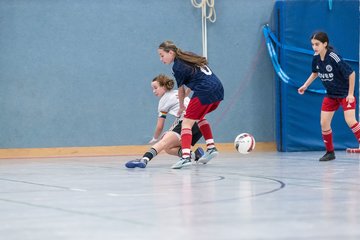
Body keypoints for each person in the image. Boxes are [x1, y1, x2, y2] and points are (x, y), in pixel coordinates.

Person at [158, 40, 224, 169]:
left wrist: (182, 106)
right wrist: (188, 96)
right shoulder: (188, 56)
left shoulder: (177, 66)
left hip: (204, 91)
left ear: (170, 52)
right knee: (199, 117)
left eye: (162, 55)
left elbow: (181, 90)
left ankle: (185, 157)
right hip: (218, 89)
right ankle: (211, 148)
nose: (161, 59)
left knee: (186, 123)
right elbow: (196, 79)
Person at [298, 32, 357, 161]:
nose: (314, 47)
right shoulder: (316, 57)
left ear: (325, 44)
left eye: (317, 44)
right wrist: (305, 85)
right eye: (313, 44)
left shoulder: (334, 57)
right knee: (324, 123)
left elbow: (351, 73)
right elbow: (315, 73)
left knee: (351, 121)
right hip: (331, 95)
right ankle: (330, 152)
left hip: (344, 94)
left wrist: (350, 94)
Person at [125, 74, 204, 168]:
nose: (154, 91)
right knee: (168, 148)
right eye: (152, 89)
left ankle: (144, 159)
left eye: (155, 88)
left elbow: (160, 126)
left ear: (164, 86)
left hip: (186, 122)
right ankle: (195, 155)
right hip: (199, 126)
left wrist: (155, 138)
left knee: (162, 142)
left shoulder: (163, 100)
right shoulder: (178, 93)